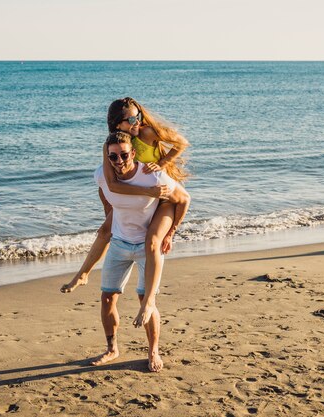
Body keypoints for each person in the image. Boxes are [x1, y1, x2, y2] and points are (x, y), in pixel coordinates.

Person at [61, 97, 189, 329]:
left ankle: (148, 300)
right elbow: (108, 184)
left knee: (152, 240)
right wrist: (112, 210)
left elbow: (181, 143)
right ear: (116, 124)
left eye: (137, 116)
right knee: (105, 230)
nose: (136, 121)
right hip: (144, 195)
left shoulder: (146, 132)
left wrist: (162, 162)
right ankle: (82, 274)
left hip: (163, 196)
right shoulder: (115, 145)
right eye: (130, 119)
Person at [90, 131, 190, 372]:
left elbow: (184, 199)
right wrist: (109, 222)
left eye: (124, 155)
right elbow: (106, 197)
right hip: (120, 244)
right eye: (113, 157)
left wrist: (170, 233)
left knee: (146, 300)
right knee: (106, 298)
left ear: (133, 153)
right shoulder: (101, 175)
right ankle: (112, 349)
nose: (119, 161)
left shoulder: (153, 176)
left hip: (148, 246)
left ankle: (153, 351)